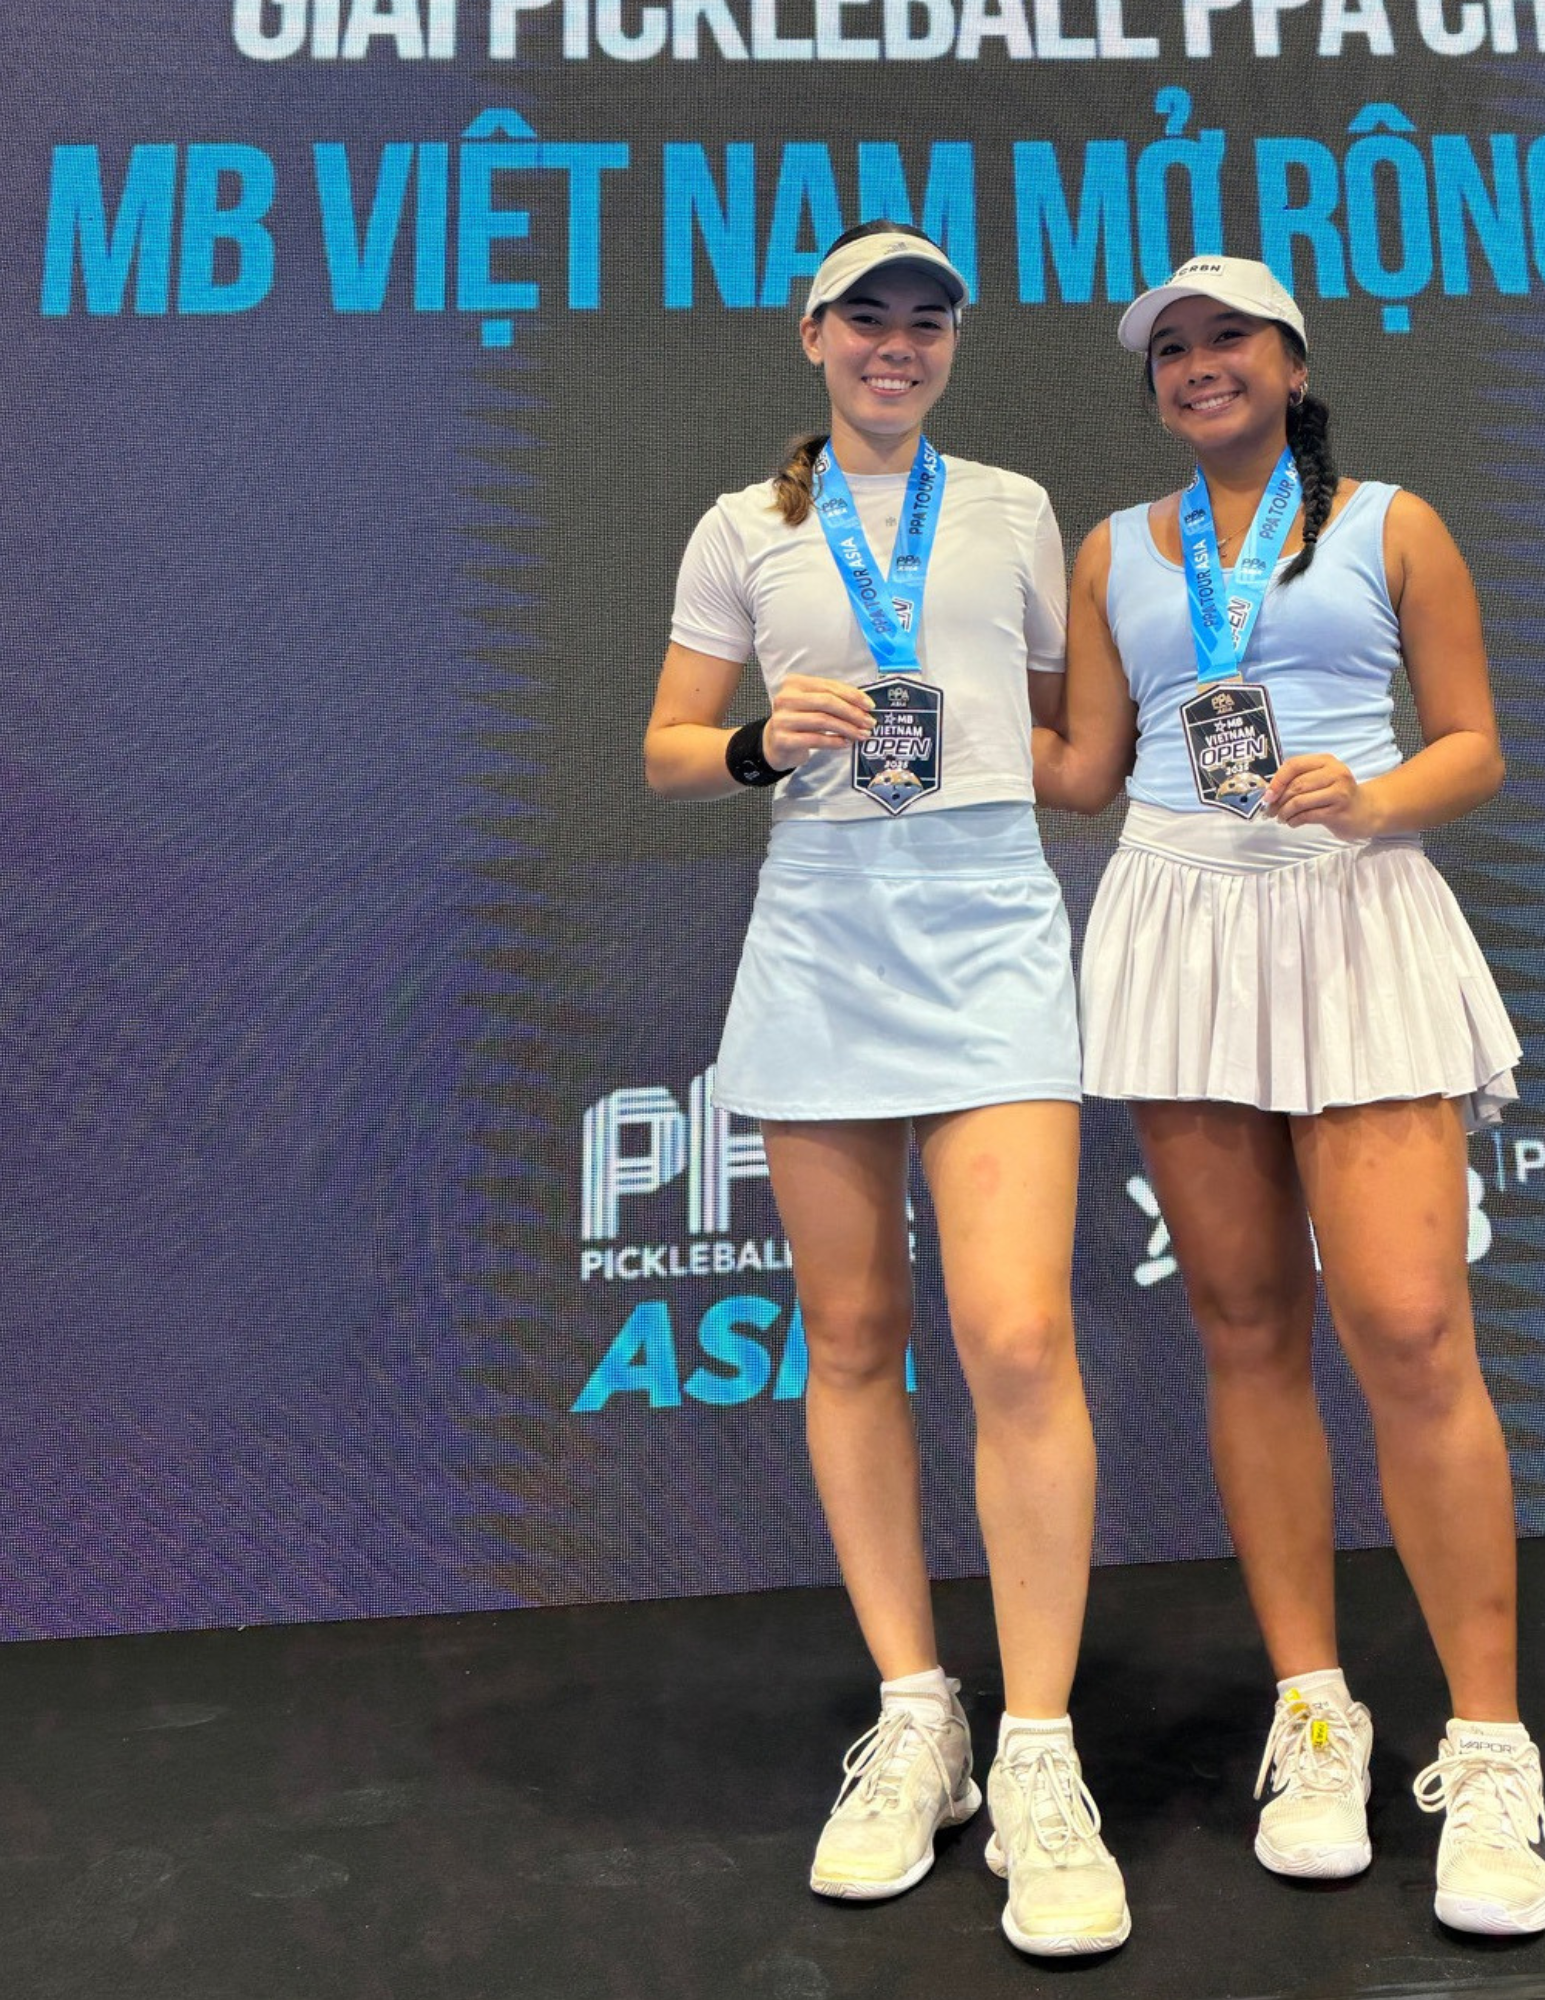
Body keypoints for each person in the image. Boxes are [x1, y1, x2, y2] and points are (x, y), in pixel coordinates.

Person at [1035, 253, 1544, 1935]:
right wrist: (923, 711)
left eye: (1228, 339)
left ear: (1294, 362)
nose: (1199, 365)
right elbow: (1085, 770)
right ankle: (1316, 1716)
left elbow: (1472, 741)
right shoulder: (1113, 551)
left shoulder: (1395, 524)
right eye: (1171, 350)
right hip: (1180, 920)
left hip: (1352, 905)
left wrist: (1379, 796)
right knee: (1247, 1327)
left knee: (1409, 1327)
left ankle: (1490, 1747)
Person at [643, 221, 1129, 1957]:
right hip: (823, 932)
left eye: (927, 319)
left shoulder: (1012, 507)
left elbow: (1067, 749)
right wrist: (762, 741)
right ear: (814, 336)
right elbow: (668, 749)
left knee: (1016, 1337)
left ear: (952, 345)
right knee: (850, 1336)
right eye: (869, 317)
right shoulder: (742, 526)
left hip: (989, 921)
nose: (897, 343)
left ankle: (1042, 1749)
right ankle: (919, 1717)